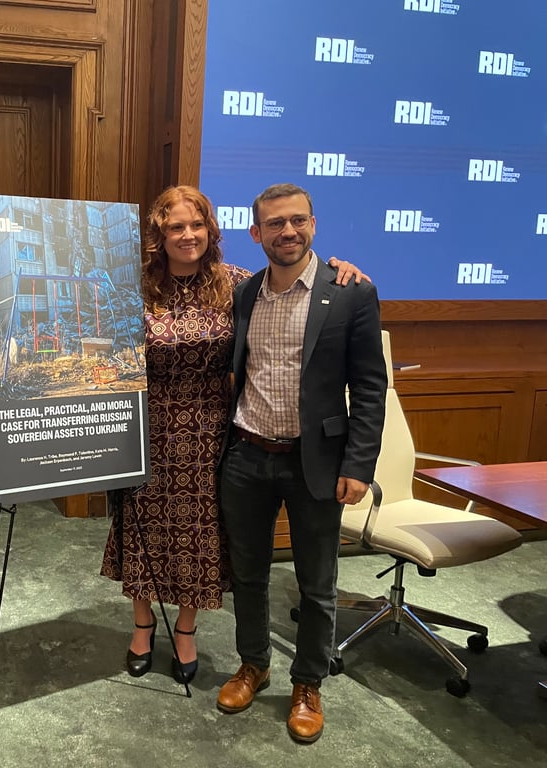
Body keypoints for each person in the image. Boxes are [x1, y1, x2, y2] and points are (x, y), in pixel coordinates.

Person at [100, 186, 364, 685]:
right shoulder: (132, 288)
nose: (188, 235)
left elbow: (298, 280)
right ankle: (141, 626)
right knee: (142, 531)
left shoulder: (236, 285)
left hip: (212, 434)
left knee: (199, 535)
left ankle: (185, 630)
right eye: (176, 226)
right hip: (145, 430)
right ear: (159, 234)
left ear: (211, 230)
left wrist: (340, 268)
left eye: (197, 224)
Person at [216, 183, 386, 744]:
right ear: (256, 233)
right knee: (248, 574)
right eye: (275, 223)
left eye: (297, 221)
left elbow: (369, 387)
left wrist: (359, 465)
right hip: (247, 455)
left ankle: (308, 683)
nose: (287, 232)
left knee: (317, 583)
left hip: (316, 462)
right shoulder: (244, 293)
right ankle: (253, 664)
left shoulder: (350, 292)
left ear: (313, 224)